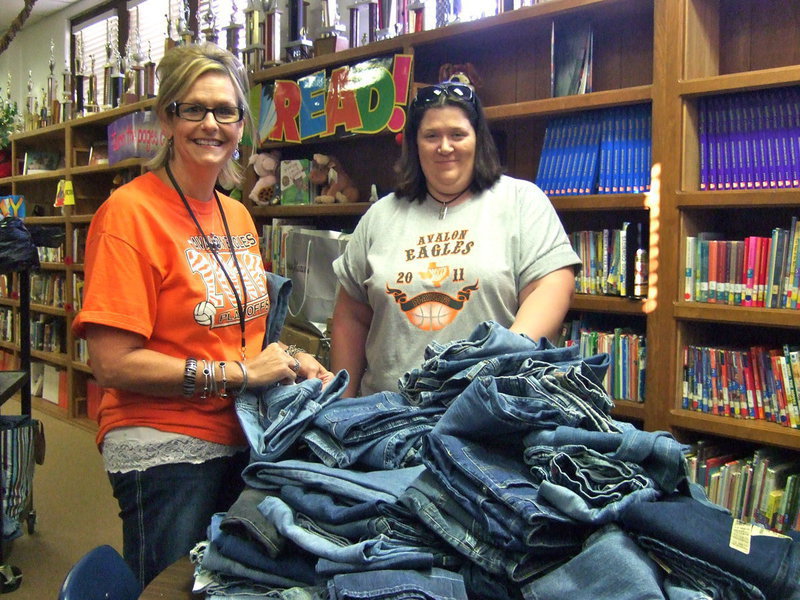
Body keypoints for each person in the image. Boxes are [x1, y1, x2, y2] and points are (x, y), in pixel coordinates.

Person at [71, 43, 331, 587]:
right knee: (174, 587)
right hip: (164, 443)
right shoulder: (128, 214)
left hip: (241, 432)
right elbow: (112, 364)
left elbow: (236, 334)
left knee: (235, 584)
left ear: (242, 124)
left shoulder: (235, 213)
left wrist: (289, 359)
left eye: (226, 110)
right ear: (167, 117)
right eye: (194, 109)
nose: (211, 124)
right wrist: (238, 375)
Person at [331, 81, 580, 398]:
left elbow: (553, 285)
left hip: (489, 411)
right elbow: (350, 315)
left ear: (478, 140)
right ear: (415, 143)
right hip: (386, 419)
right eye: (431, 135)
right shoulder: (380, 216)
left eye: (457, 134)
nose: (444, 146)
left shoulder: (521, 201)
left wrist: (495, 368)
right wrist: (341, 407)